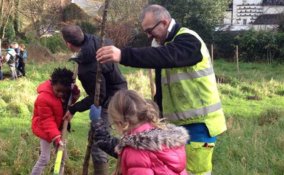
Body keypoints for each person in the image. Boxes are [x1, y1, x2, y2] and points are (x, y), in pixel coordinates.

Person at [96, 4, 227, 175]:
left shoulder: (188, 40)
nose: (149, 36)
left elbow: (167, 56)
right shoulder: (161, 44)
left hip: (199, 124)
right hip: (177, 125)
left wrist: (123, 55)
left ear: (164, 23)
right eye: (146, 32)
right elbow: (164, 86)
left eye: (150, 31)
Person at [61, 25, 127, 175]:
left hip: (111, 100)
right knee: (101, 139)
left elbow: (98, 96)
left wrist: (74, 108)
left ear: (68, 44)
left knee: (99, 145)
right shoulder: (97, 41)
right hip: (119, 90)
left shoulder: (89, 68)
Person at [91, 90, 189, 175]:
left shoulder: (136, 151)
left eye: (114, 124)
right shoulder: (167, 140)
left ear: (120, 122)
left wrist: (96, 123)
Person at [31, 68, 80, 175]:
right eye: (58, 91)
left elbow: (69, 102)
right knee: (45, 158)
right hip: (45, 129)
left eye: (64, 92)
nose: (61, 94)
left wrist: (75, 94)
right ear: (52, 84)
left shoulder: (64, 91)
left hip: (58, 128)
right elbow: (47, 120)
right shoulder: (43, 98)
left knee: (61, 156)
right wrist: (57, 138)